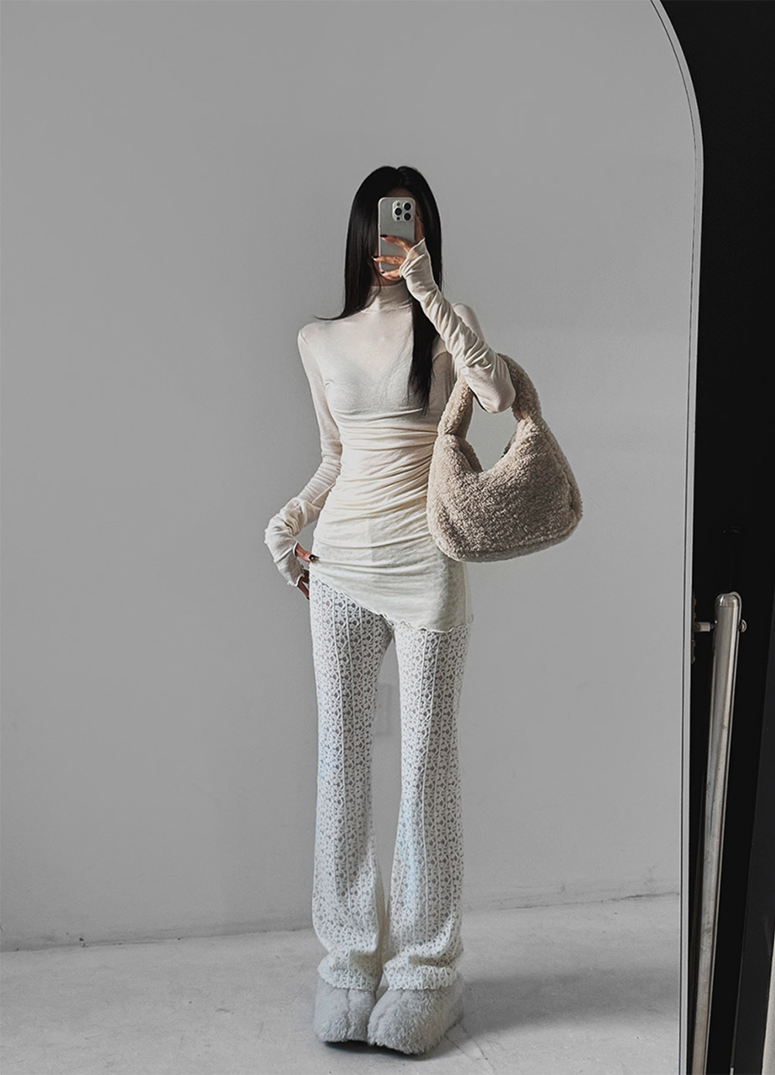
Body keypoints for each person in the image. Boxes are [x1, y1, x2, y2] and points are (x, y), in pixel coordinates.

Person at [264, 165, 515, 1055]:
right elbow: (337, 456)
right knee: (340, 763)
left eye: (405, 223)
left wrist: (431, 294)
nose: (390, 239)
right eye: (380, 224)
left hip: (426, 567)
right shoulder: (319, 340)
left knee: (426, 768)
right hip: (339, 568)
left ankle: (426, 969)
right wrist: (288, 522)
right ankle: (347, 960)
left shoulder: (448, 326)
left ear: (425, 232)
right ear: (359, 233)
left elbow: (498, 397)